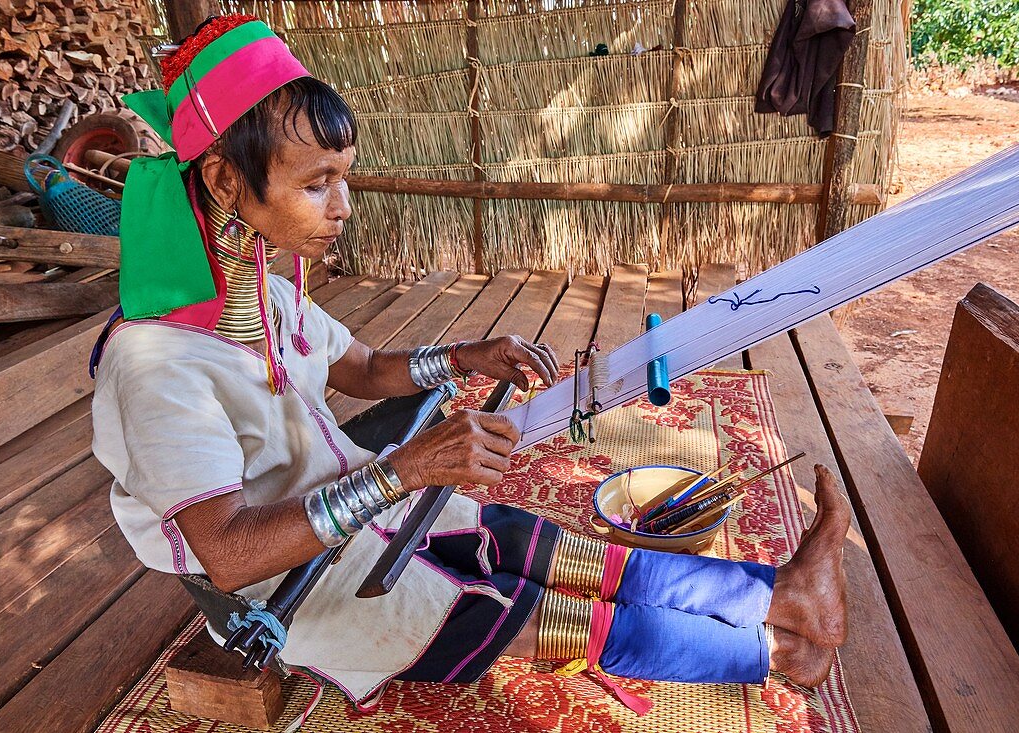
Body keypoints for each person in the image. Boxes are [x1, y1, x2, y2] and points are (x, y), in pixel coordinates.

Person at [91, 14, 851, 713]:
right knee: (513, 609)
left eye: (342, 176)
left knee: (525, 540)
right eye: (318, 183)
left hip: (350, 507)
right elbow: (225, 553)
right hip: (284, 585)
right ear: (225, 179)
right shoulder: (159, 364)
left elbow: (358, 367)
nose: (344, 204)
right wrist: (403, 471)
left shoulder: (261, 294)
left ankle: (784, 594)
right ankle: (775, 648)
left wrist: (466, 355)